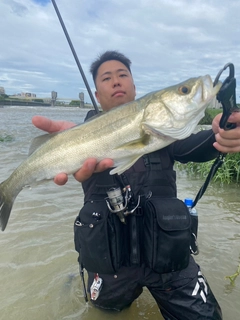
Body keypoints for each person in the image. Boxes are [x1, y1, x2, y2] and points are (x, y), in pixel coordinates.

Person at [33, 51, 240, 319]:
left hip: (168, 256)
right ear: (97, 94)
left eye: (122, 75)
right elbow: (60, 160)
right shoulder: (77, 140)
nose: (116, 82)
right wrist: (58, 153)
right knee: (104, 315)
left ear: (134, 86)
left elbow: (195, 147)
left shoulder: (165, 132)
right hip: (110, 262)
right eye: (107, 78)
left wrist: (223, 131)